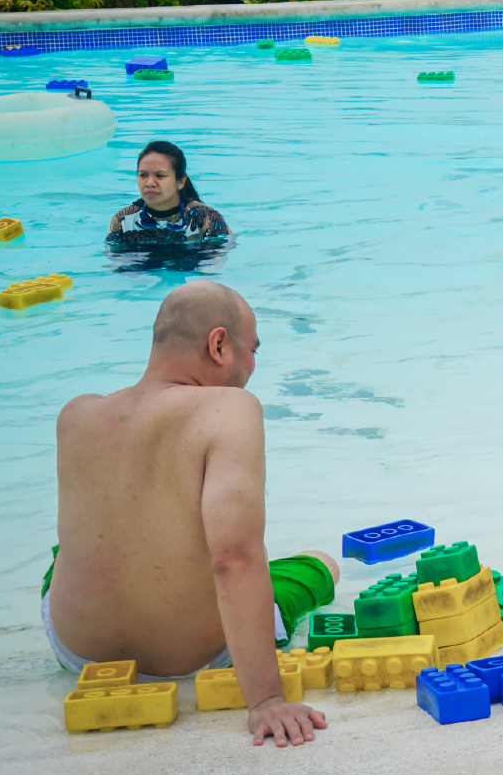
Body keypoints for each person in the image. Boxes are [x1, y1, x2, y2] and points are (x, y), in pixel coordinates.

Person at [47, 280, 335, 748]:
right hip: (192, 657)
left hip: (77, 649)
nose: (252, 366)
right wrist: (266, 700)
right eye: (252, 350)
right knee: (320, 564)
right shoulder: (230, 408)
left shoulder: (76, 414)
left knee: (70, 549)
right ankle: (316, 567)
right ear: (218, 345)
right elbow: (233, 559)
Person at [107, 140, 230, 248]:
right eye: (143, 175)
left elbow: (219, 259)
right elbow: (116, 262)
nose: (149, 183)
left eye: (160, 175)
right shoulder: (123, 221)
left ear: (180, 182)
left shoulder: (208, 219)